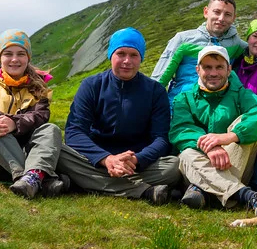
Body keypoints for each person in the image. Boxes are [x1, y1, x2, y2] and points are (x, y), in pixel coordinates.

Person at [57, 27, 181, 204]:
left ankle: (82, 183)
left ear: (141, 58)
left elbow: (161, 139)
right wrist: (106, 159)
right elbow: (74, 133)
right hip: (95, 160)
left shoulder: (155, 91)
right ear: (110, 56)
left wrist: (136, 159)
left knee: (174, 167)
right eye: (121, 53)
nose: (126, 61)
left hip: (135, 164)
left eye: (133, 55)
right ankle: (142, 190)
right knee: (59, 152)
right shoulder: (91, 85)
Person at [169, 45, 257, 215]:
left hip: (231, 165)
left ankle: (202, 189)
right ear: (197, 70)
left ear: (229, 70)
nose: (213, 73)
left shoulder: (241, 94)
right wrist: (209, 146)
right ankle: (248, 195)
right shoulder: (184, 98)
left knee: (245, 123)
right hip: (199, 162)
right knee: (186, 154)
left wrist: (229, 137)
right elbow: (180, 130)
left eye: (219, 67)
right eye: (207, 67)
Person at [0, 29, 66, 199]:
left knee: (51, 129)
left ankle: (30, 179)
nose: (15, 59)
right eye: (8, 54)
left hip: (21, 150)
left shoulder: (39, 89)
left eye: (21, 54)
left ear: (28, 58)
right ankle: (38, 179)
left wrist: (14, 123)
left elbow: (40, 118)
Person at [151, 0, 257, 102]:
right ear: (206, 12)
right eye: (217, 12)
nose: (221, 18)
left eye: (227, 14)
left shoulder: (235, 44)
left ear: (233, 18)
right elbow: (160, 79)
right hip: (180, 104)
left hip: (218, 107)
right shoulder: (183, 39)